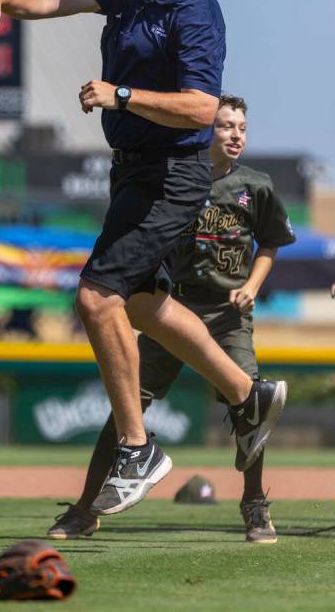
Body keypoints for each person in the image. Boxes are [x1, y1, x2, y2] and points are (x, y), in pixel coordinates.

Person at [0, 0, 288, 515]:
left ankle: (138, 450)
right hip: (135, 172)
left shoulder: (195, 11)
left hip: (173, 175)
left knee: (96, 298)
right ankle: (245, 396)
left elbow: (201, 106)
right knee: (143, 302)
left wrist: (122, 94)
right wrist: (3, 0)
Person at [48, 95, 296, 543]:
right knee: (127, 409)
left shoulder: (255, 185)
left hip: (226, 314)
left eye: (242, 126)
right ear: (205, 131)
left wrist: (252, 287)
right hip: (169, 311)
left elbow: (272, 242)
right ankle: (85, 509)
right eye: (225, 125)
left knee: (250, 406)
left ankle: (255, 506)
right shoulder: (180, 179)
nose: (236, 133)